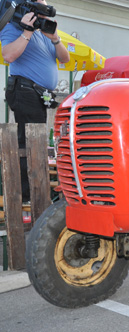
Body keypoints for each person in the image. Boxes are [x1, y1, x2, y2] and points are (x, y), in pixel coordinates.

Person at [1, 0, 70, 201]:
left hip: (38, 94)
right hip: (24, 90)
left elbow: (64, 58)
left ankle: (33, 191)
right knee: (29, 142)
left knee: (35, 142)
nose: (44, 16)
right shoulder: (12, 28)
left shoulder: (44, 33)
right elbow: (9, 55)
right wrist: (27, 32)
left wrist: (55, 38)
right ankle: (27, 194)